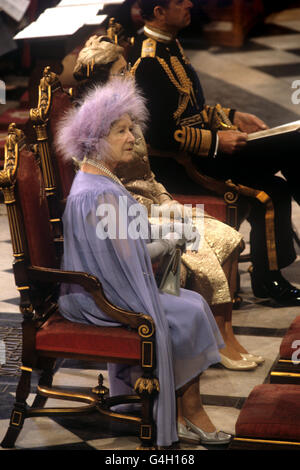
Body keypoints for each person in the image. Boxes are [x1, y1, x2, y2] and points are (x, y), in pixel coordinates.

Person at [55, 77, 232, 447]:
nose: (133, 137)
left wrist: (165, 223)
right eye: (121, 130)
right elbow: (130, 257)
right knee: (188, 311)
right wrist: (169, 241)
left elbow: (128, 230)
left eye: (131, 127)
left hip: (108, 287)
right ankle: (189, 411)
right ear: (95, 138)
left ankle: (183, 409)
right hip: (100, 300)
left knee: (194, 302)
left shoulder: (100, 179)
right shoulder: (98, 192)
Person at [71, 34, 263, 369]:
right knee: (204, 244)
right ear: (102, 80)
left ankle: (225, 333)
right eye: (120, 72)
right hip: (132, 213)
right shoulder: (93, 129)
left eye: (128, 68)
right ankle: (212, 341)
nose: (130, 75)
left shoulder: (125, 116)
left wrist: (166, 201)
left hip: (155, 204)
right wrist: (159, 218)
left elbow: (148, 172)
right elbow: (109, 195)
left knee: (229, 237)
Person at [128, 0, 300, 307]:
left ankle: (267, 279)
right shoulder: (148, 62)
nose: (190, 4)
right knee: (287, 156)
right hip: (185, 165)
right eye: (180, 2)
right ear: (159, 12)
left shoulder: (169, 45)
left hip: (204, 153)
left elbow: (188, 110)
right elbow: (159, 135)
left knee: (284, 163)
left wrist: (230, 115)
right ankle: (268, 281)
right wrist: (217, 141)